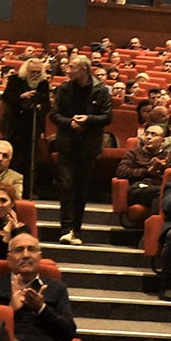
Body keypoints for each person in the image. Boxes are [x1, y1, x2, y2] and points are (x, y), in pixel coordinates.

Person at [0, 232, 77, 341]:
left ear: (40, 257)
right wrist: (10, 309)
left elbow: (69, 333)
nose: (26, 255)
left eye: (31, 249)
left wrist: (42, 308)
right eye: (19, 250)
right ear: (9, 259)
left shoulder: (56, 288)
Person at [49, 54, 110, 245]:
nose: (68, 70)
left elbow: (107, 117)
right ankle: (66, 229)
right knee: (66, 186)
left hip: (88, 147)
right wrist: (70, 123)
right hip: (67, 144)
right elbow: (54, 114)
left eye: (72, 67)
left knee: (81, 190)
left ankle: (75, 229)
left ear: (84, 69)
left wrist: (88, 120)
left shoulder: (100, 90)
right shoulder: (64, 89)